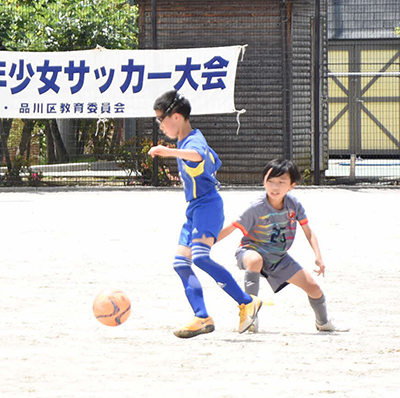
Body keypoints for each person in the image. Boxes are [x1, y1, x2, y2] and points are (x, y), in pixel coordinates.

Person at [148, 90, 262, 338]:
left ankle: (246, 302)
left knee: (199, 258)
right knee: (181, 263)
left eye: (161, 119)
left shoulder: (192, 142)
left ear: (176, 117)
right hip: (195, 209)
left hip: (207, 206)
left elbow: (198, 155)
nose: (160, 125)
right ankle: (201, 317)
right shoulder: (189, 138)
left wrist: (167, 152)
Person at [216, 159, 347, 333]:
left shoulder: (294, 205)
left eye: (281, 182)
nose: (274, 187)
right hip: (251, 251)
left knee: (314, 289)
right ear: (263, 182)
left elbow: (308, 231)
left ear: (292, 185)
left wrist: (318, 257)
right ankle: (251, 316)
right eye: (270, 181)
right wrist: (204, 244)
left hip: (279, 258)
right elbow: (231, 227)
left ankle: (323, 323)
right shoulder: (256, 207)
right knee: (255, 260)